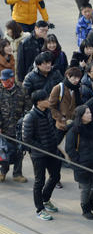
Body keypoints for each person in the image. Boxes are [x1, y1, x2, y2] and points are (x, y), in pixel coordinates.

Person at [22, 89, 61, 220]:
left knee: (55, 176)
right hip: (39, 155)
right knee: (40, 181)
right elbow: (26, 138)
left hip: (52, 151)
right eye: (46, 98)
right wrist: (42, 148)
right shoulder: (30, 117)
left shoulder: (48, 112)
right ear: (39, 102)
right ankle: (40, 209)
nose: (49, 100)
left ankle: (45, 199)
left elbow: (52, 129)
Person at [64, 105, 93, 219]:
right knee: (85, 188)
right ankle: (85, 207)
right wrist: (78, 161)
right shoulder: (74, 130)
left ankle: (92, 203)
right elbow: (69, 149)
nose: (90, 115)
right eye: (87, 113)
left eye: (90, 112)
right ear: (80, 116)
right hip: (82, 165)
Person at [0, 69, 31, 182]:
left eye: (6, 80)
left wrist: (23, 122)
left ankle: (17, 174)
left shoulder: (22, 90)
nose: (4, 82)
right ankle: (2, 172)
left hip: (18, 128)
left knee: (19, 151)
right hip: (4, 128)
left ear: (12, 79)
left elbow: (28, 107)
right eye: (2, 80)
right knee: (4, 151)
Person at [48, 66, 83, 134]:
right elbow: (51, 106)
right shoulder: (58, 88)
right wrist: (60, 118)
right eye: (74, 77)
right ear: (68, 76)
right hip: (61, 122)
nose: (76, 80)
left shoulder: (78, 89)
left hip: (73, 122)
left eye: (78, 78)